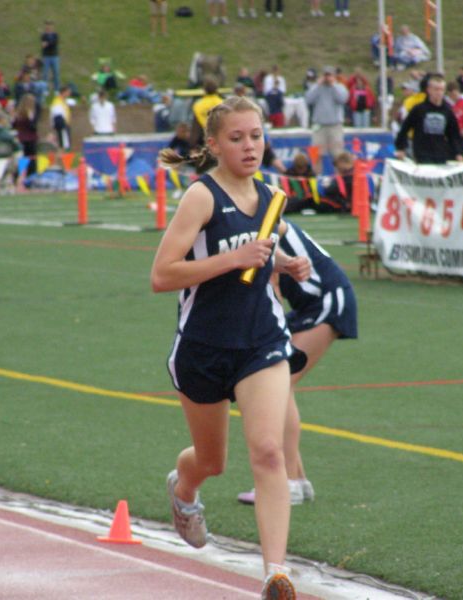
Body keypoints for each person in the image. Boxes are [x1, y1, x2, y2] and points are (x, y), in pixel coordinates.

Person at [151, 95, 310, 599]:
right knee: (212, 460)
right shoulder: (200, 197)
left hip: (260, 339)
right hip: (203, 346)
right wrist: (234, 257)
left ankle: (275, 574)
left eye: (256, 136)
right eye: (237, 138)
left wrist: (282, 262)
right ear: (215, 145)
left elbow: (267, 239)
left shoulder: (272, 197)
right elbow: (161, 276)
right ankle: (184, 488)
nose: (249, 146)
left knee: (267, 452)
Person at [237, 219, 358, 506]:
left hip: (328, 300)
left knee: (281, 380)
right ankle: (298, 481)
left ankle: (287, 482)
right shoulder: (258, 223)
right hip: (314, 303)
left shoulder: (266, 223)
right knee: (279, 378)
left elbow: (272, 284)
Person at [395, 75, 463, 165]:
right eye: (436, 89)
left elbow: (453, 134)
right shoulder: (419, 109)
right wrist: (401, 148)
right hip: (422, 154)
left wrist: (458, 153)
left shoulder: (448, 110)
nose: (439, 93)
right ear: (429, 90)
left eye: (441, 90)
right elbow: (404, 129)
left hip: (441, 154)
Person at [305, 65, 348, 172]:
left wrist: (333, 85)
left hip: (335, 126)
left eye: (329, 75)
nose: (327, 77)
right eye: (325, 75)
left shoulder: (339, 87)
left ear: (334, 76)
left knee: (338, 155)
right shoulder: (317, 87)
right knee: (315, 156)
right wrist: (317, 85)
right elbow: (308, 100)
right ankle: (316, 179)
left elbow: (343, 99)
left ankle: (339, 180)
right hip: (319, 126)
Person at [190, 77, 223, 149]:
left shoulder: (198, 105)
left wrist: (192, 146)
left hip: (203, 141)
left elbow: (195, 128)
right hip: (220, 140)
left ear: (204, 90)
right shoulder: (222, 103)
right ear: (216, 89)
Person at [12, 93, 38, 178]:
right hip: (30, 139)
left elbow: (14, 125)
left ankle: (16, 177)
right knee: (32, 160)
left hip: (20, 139)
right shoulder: (30, 113)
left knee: (21, 160)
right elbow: (33, 127)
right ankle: (31, 177)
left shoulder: (18, 114)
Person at [40, 21, 61, 93]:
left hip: (54, 56)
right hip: (46, 56)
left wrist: (47, 43)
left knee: (56, 73)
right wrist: (49, 43)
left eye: (50, 26)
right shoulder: (43, 35)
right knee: (45, 73)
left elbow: (54, 43)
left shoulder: (55, 35)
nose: (49, 28)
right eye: (47, 26)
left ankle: (57, 89)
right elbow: (43, 45)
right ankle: (45, 89)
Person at [50, 85, 72, 151]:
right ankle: (60, 159)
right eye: (68, 92)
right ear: (63, 92)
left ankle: (63, 159)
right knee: (62, 145)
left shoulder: (63, 101)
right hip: (62, 126)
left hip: (65, 125)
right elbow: (57, 116)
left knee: (65, 145)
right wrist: (63, 126)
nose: (69, 94)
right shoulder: (57, 102)